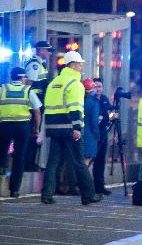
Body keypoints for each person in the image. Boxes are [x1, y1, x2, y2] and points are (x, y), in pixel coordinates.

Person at [40, 51, 102, 205]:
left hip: (54, 127)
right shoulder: (75, 84)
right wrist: (76, 128)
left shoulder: (54, 82)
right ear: (72, 65)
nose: (82, 67)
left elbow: (47, 106)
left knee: (53, 162)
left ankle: (46, 194)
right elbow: (74, 108)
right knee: (79, 162)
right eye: (80, 65)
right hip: (69, 127)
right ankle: (88, 195)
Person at [0, 67, 42, 197]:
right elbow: (37, 111)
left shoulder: (2, 89)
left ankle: (1, 167)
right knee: (19, 157)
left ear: (11, 77)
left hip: (5, 125)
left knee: (2, 144)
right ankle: (14, 190)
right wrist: (37, 128)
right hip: (22, 126)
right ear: (23, 78)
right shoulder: (28, 91)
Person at [22, 40, 53, 171]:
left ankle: (31, 162)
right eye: (48, 50)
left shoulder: (40, 64)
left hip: (38, 103)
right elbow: (29, 84)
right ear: (41, 50)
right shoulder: (35, 65)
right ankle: (28, 163)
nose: (49, 53)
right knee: (33, 132)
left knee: (36, 132)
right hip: (34, 104)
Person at [92, 77, 113, 194]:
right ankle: (81, 185)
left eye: (99, 86)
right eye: (95, 86)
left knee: (100, 161)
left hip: (103, 133)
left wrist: (112, 116)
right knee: (88, 160)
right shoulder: (90, 99)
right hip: (92, 134)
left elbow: (109, 114)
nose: (98, 89)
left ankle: (99, 186)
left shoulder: (104, 99)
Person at [81, 79, 101, 167]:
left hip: (79, 132)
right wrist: (97, 134)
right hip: (90, 135)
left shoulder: (80, 100)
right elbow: (94, 121)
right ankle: (83, 180)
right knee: (86, 160)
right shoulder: (94, 102)